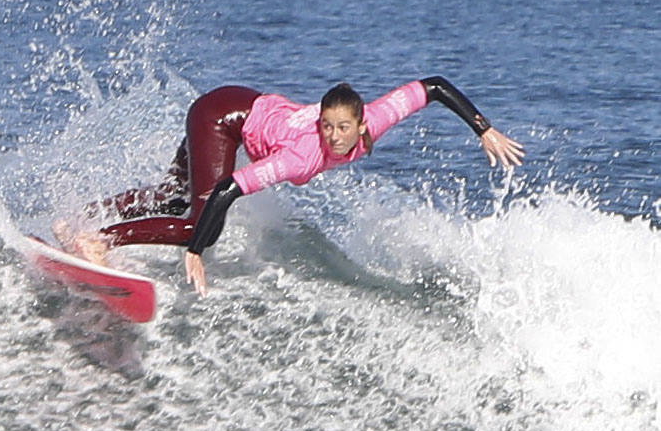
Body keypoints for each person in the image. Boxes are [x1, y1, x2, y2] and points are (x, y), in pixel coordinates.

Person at [59, 76, 524, 296]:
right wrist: (196, 249)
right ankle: (97, 237)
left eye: (342, 128)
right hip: (223, 117)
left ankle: (83, 217)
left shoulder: (378, 118)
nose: (333, 136)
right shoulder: (303, 153)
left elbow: (435, 87)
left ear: (362, 124)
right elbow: (228, 192)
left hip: (234, 100)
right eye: (326, 126)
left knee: (173, 195)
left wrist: (483, 129)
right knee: (199, 223)